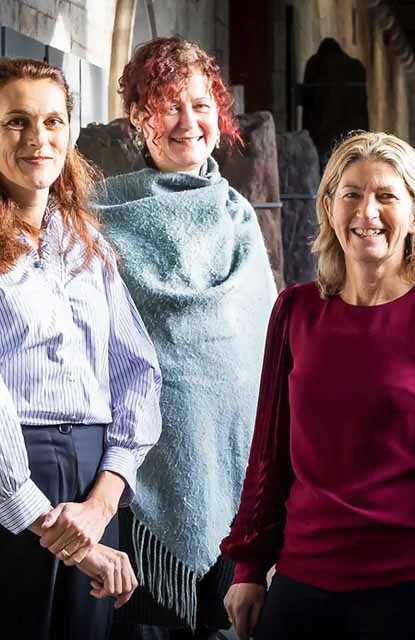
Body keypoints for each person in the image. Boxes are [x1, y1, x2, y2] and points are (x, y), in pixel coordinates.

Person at [219, 131, 415, 640]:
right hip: (300, 581)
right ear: (330, 208)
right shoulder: (296, 310)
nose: (367, 212)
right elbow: (268, 451)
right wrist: (248, 566)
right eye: (351, 193)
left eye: (385, 196)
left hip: (410, 589)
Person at [93, 37, 278, 640]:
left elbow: (266, 350)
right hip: (137, 486)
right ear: (138, 117)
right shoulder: (98, 217)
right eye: (168, 105)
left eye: (200, 105)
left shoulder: (238, 216)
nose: (187, 123)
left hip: (232, 471)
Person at [0, 57, 160, 639]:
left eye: (52, 121)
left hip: (95, 481)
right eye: (16, 121)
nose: (37, 139)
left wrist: (101, 505)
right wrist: (51, 526)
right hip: (13, 483)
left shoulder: (85, 240)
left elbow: (137, 373)